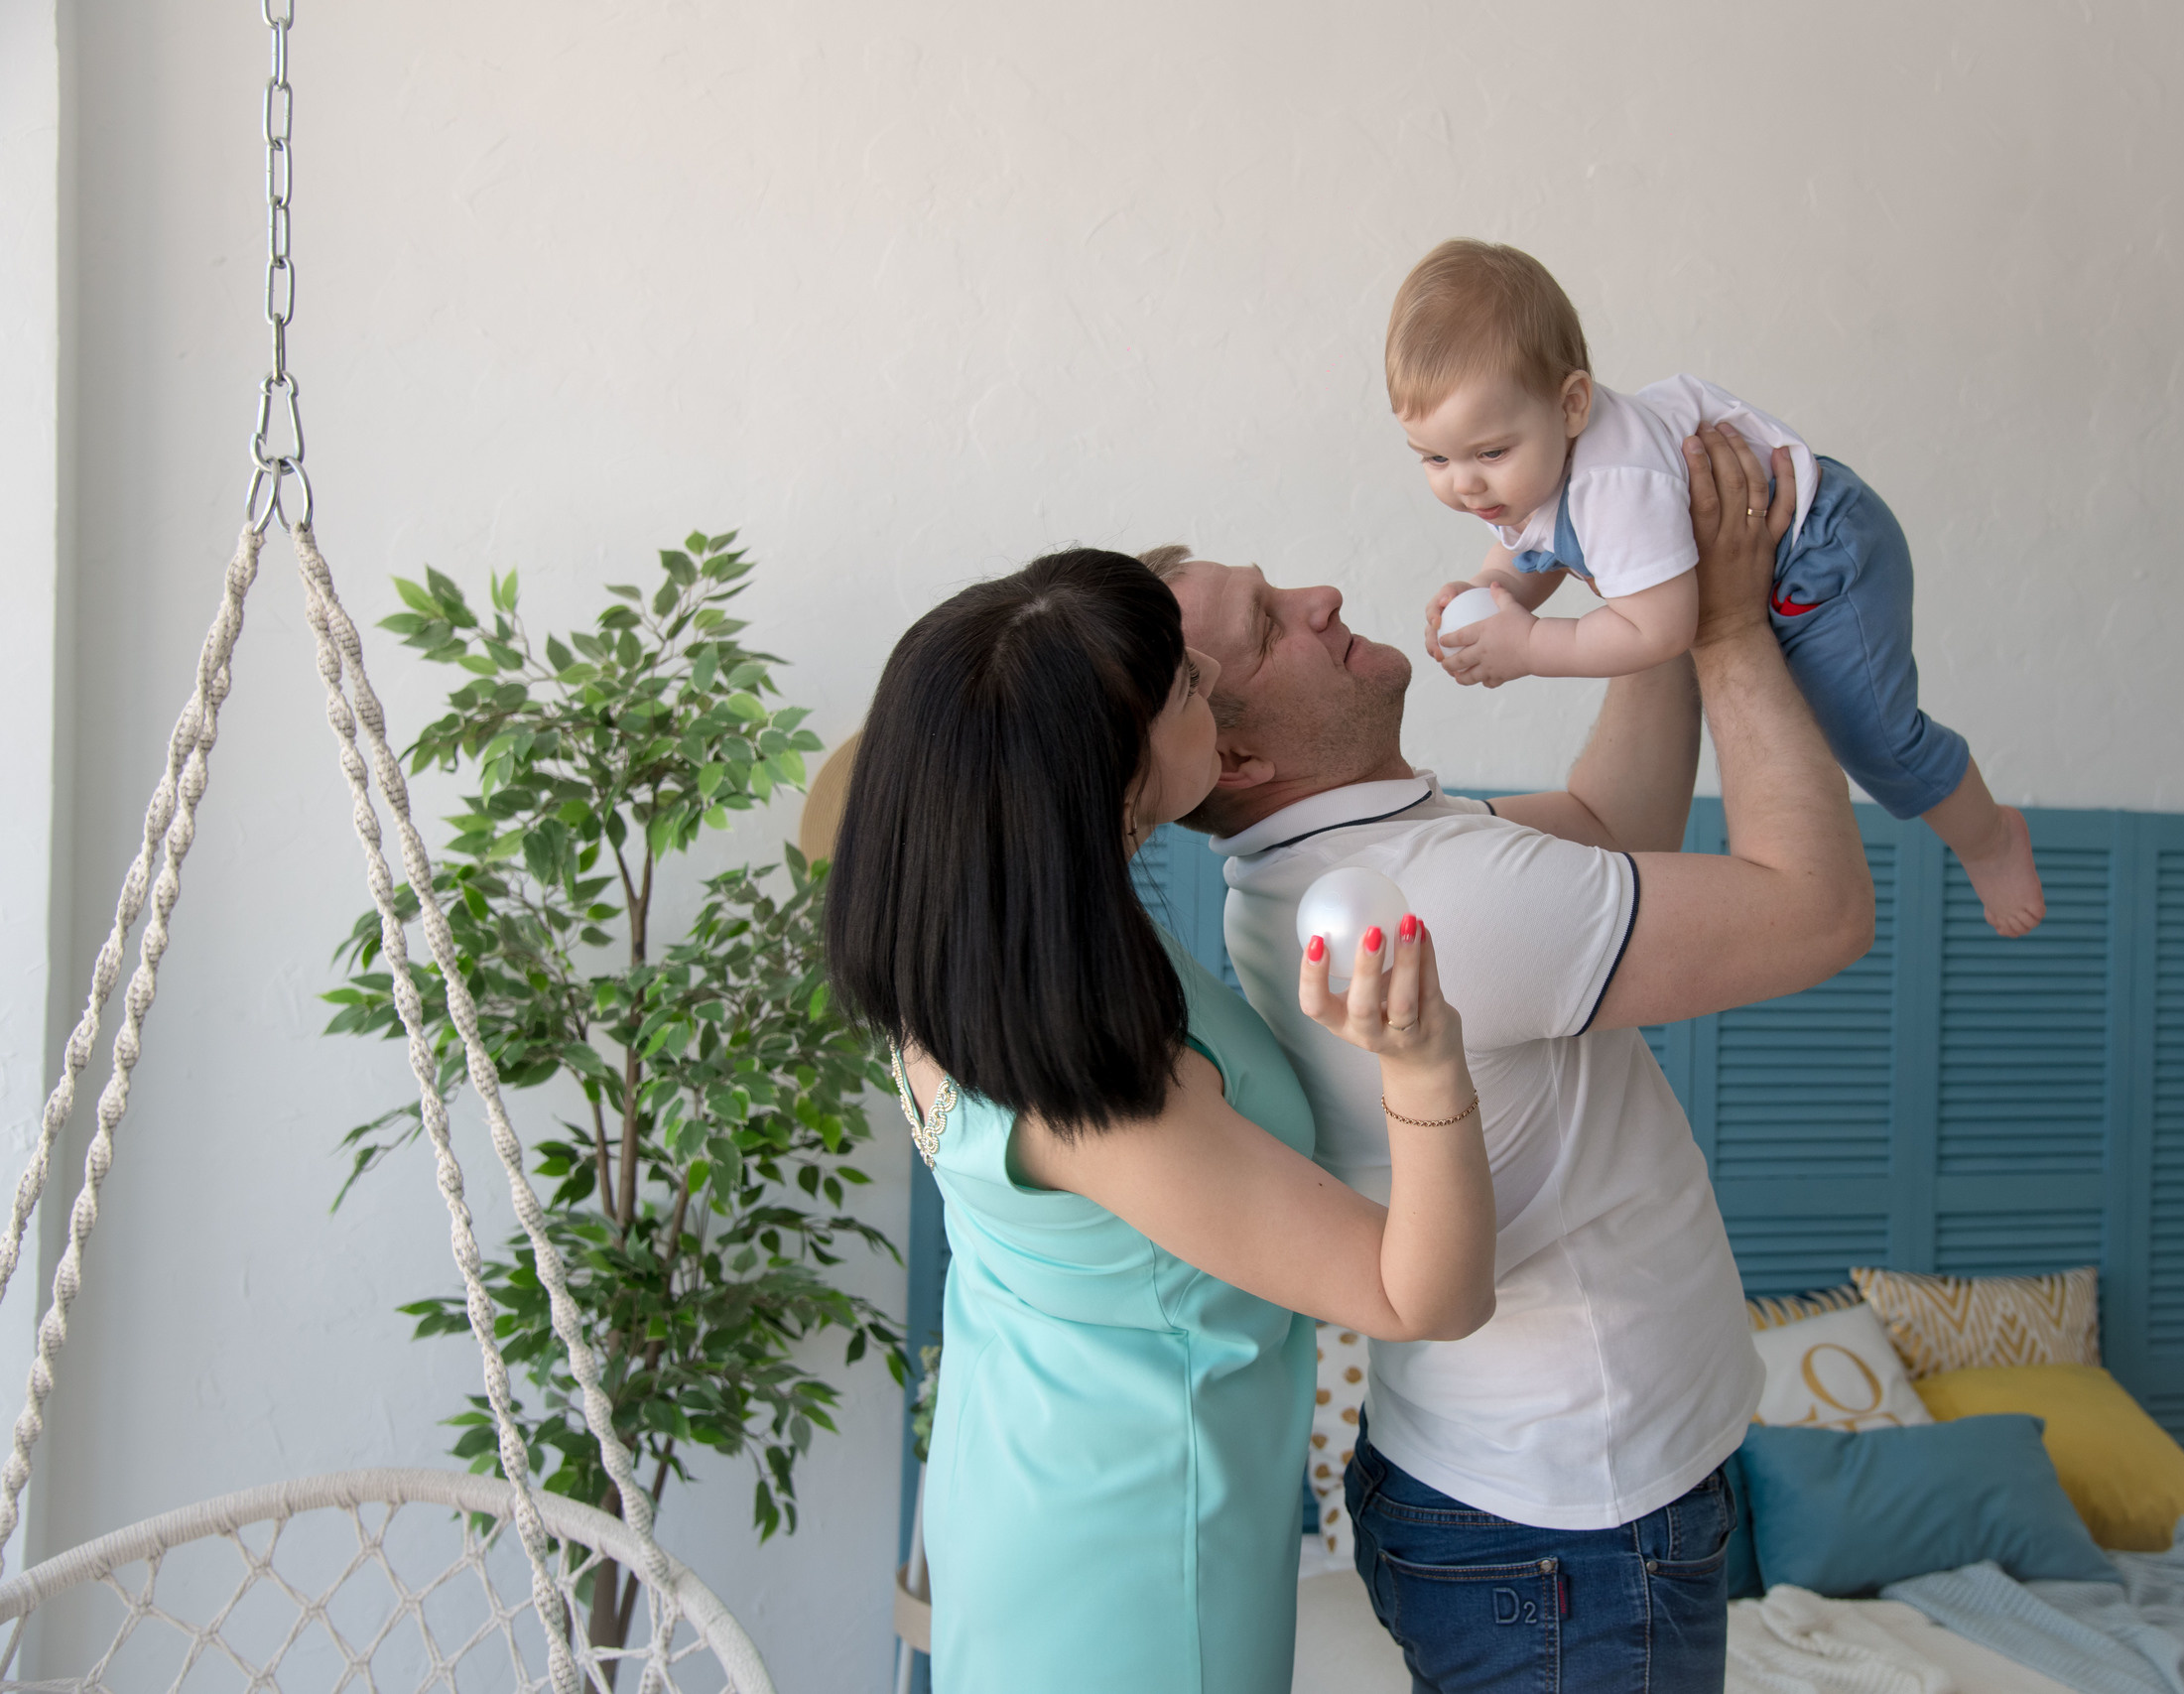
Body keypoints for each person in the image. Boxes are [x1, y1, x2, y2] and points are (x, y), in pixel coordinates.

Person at [1154, 425, 1874, 1693]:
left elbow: (1610, 828)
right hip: (1574, 1537)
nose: (1321, 598)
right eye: (1271, 626)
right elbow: (1818, 911)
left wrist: (1643, 573)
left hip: (1521, 1501)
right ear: (1243, 758)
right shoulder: (1442, 896)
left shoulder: (1332, 863)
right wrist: (1722, 623)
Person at [824, 550, 1499, 1694]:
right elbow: (1422, 1295)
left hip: (1018, 1484)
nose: (1206, 675)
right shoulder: (1109, 1095)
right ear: (1106, 775)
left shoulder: (960, 956)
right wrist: (1424, 1064)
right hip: (1132, 1570)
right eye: (1184, 686)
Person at [1393, 237, 2043, 938]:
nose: (1465, 484)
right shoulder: (1539, 467)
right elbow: (1535, 550)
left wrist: (1527, 646)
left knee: (1873, 740)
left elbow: (1660, 629)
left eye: (1490, 452)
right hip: (1772, 561)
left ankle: (1990, 838)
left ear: (1573, 404)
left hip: (1823, 552)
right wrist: (1490, 595)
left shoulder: (1617, 482)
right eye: (1433, 457)